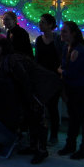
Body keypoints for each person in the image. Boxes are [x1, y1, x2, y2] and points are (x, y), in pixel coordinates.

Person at [0, 38, 62, 164]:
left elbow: (24, 79)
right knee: (32, 117)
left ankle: (42, 150)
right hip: (34, 89)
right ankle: (33, 147)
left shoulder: (13, 59)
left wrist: (30, 98)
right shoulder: (7, 60)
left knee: (39, 118)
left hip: (41, 86)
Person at [58, 21, 84, 160]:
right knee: (74, 118)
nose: (61, 34)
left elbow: (69, 73)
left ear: (73, 34)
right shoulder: (68, 48)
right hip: (72, 88)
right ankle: (70, 145)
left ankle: (83, 148)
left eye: (64, 32)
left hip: (80, 90)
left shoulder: (77, 51)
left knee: (80, 118)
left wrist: (60, 70)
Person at [34, 13, 64, 145]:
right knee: (41, 108)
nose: (40, 24)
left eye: (42, 22)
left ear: (50, 25)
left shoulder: (58, 41)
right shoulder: (39, 40)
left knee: (52, 107)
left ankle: (54, 134)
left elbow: (61, 59)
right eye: (39, 22)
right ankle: (42, 133)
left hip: (54, 78)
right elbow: (37, 60)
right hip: (42, 78)